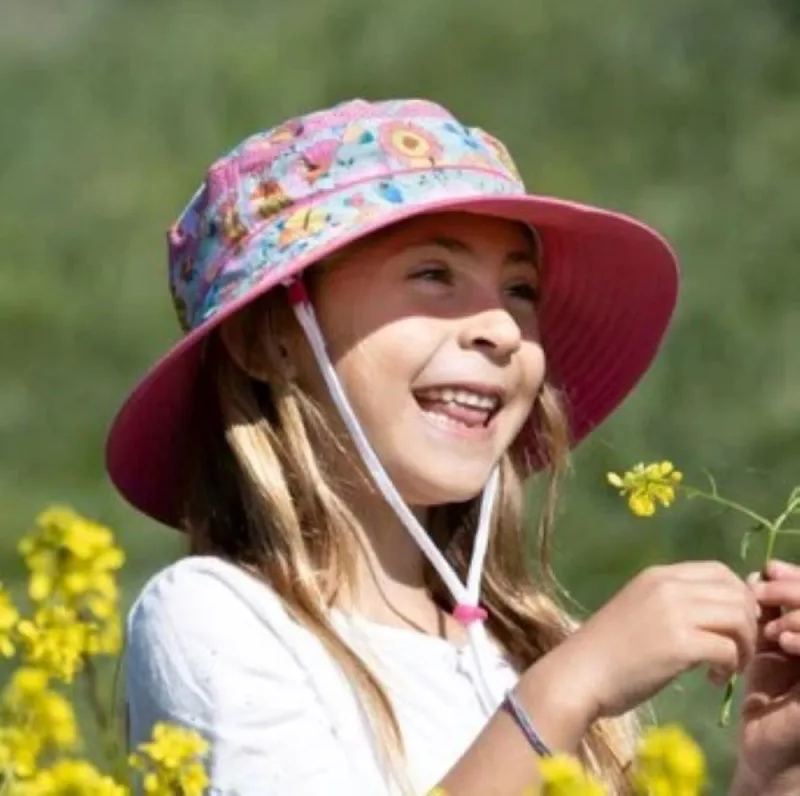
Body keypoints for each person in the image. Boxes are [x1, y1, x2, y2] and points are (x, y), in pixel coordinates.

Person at [107, 98, 800, 795]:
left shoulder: (514, 650)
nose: (500, 328)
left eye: (521, 289)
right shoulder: (214, 617)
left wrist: (770, 774)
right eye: (434, 274)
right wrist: (568, 690)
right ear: (273, 342)